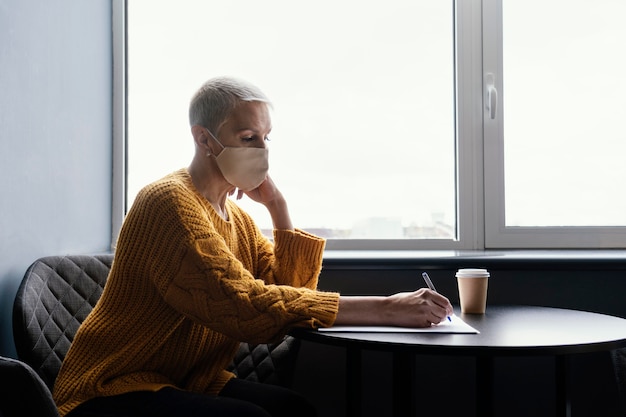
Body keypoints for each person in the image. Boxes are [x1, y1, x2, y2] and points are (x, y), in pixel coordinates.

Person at [52, 76, 453, 417]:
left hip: (188, 380)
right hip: (110, 388)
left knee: (293, 410)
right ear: (204, 140)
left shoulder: (239, 219)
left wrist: (279, 209)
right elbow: (245, 307)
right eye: (248, 137)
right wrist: (385, 307)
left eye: (265, 138)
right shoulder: (169, 203)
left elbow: (292, 296)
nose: (262, 149)